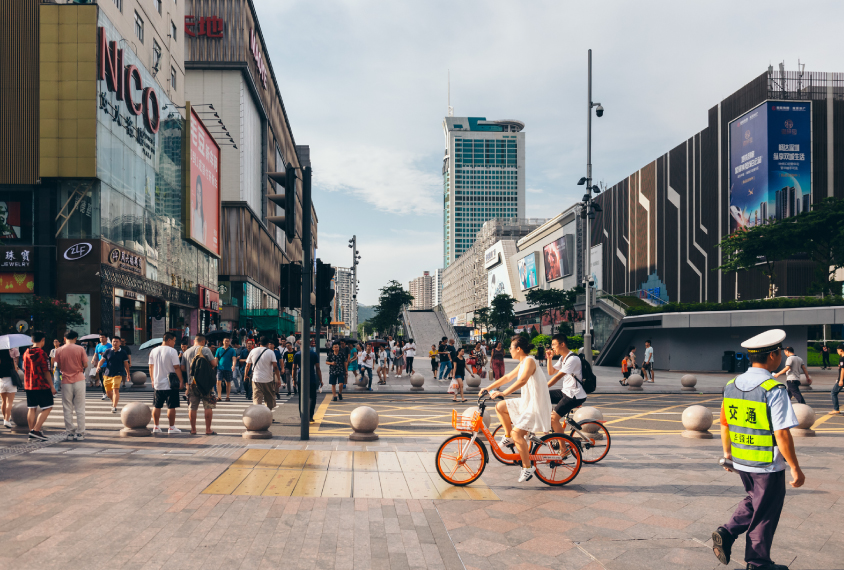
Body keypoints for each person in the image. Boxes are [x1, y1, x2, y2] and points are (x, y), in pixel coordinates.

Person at [711, 329, 803, 570]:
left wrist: (728, 454)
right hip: (766, 463)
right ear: (773, 356)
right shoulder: (773, 388)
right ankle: (757, 563)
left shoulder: (731, 384)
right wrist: (795, 468)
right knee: (766, 511)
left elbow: (724, 423)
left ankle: (727, 532)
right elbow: (782, 433)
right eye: (779, 353)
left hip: (742, 458)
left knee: (755, 499)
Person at [483, 337, 552, 483]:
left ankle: (527, 468)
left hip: (536, 405)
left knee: (518, 434)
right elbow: (507, 377)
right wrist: (487, 388)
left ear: (518, 349)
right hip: (527, 402)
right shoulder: (523, 362)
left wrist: (503, 393)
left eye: (511, 347)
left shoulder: (529, 361)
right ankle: (508, 436)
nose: (509, 350)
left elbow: (522, 381)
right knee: (500, 407)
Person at [546, 334, 587, 433]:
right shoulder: (562, 358)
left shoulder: (572, 359)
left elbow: (557, 376)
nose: (552, 347)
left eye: (554, 344)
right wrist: (549, 358)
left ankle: (562, 447)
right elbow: (551, 372)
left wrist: (543, 386)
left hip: (574, 395)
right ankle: (555, 427)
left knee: (553, 419)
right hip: (566, 391)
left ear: (562, 344)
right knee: (543, 395)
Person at [181, 335, 218, 435]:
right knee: (208, 405)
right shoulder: (205, 350)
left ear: (194, 341)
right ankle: (208, 430)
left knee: (192, 407)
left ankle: (193, 430)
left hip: (191, 383)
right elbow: (214, 364)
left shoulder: (186, 352)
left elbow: (183, 368)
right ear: (203, 341)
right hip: (206, 383)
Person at [54, 330, 88, 441]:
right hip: (79, 379)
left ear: (64, 339)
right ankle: (80, 433)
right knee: (80, 407)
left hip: (65, 380)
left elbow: (58, 365)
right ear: (76, 338)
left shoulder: (59, 350)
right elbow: (86, 364)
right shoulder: (80, 349)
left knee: (67, 407)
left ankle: (69, 432)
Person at [149, 332, 185, 434]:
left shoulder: (153, 351)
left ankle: (156, 426)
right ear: (169, 340)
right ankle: (171, 427)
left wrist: (152, 379)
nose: (174, 343)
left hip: (157, 383)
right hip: (171, 384)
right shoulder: (172, 351)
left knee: (156, 406)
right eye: (174, 341)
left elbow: (150, 367)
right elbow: (176, 367)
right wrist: (181, 380)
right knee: (171, 406)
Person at [23, 332, 56, 440]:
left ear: (32, 340)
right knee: (48, 406)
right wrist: (52, 386)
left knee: (31, 408)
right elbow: (46, 371)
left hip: (29, 384)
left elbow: (24, 367)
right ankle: (36, 430)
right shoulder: (42, 353)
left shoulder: (26, 352)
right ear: (43, 340)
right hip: (41, 384)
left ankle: (31, 431)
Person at [244, 336, 280, 410]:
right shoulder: (270, 352)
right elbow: (275, 367)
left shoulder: (253, 351)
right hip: (268, 379)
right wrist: (278, 379)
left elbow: (247, 365)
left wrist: (245, 375)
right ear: (267, 343)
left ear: (259, 342)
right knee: (269, 399)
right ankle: (268, 415)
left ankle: (258, 416)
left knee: (257, 399)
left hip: (256, 379)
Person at [95, 336, 129, 413]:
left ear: (120, 343)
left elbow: (126, 364)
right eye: (113, 341)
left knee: (115, 390)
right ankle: (113, 401)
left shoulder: (123, 352)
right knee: (108, 391)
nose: (115, 343)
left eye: (117, 341)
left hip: (118, 373)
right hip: (107, 373)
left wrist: (128, 374)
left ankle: (114, 406)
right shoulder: (108, 351)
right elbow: (102, 360)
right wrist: (98, 367)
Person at [293, 339, 324, 422]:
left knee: (301, 398)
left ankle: (302, 416)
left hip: (301, 379)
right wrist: (321, 380)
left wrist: (293, 379)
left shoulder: (297, 354)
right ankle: (310, 416)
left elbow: (294, 368)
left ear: (300, 345)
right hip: (312, 379)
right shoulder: (314, 354)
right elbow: (317, 368)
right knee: (312, 398)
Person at [0, 348, 21, 429]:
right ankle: (7, 420)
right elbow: (15, 370)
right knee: (9, 402)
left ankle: (4, 418)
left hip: (1, 381)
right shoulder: (11, 360)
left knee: (3, 402)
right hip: (10, 381)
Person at [214, 337, 237, 402]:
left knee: (228, 383)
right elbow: (216, 358)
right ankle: (219, 396)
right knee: (218, 382)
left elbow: (234, 358)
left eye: (228, 341)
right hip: (220, 368)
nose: (227, 342)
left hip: (228, 368)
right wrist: (214, 365)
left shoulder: (232, 350)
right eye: (225, 341)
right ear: (223, 342)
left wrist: (233, 365)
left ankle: (227, 396)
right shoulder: (219, 349)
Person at [91, 333, 111, 399]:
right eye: (100, 337)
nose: (101, 339)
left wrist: (105, 354)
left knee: (107, 379)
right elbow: (95, 354)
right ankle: (104, 393)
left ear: (106, 338)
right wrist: (93, 359)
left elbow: (113, 354)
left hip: (108, 365)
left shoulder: (109, 346)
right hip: (100, 365)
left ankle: (109, 392)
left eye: (103, 337)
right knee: (102, 380)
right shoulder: (98, 345)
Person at [830, 342, 844, 415]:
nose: (837, 351)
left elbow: (843, 370)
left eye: (837, 350)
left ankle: (836, 409)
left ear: (841, 350)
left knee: (833, 393)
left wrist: (841, 380)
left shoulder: (842, 359)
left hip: (842, 379)